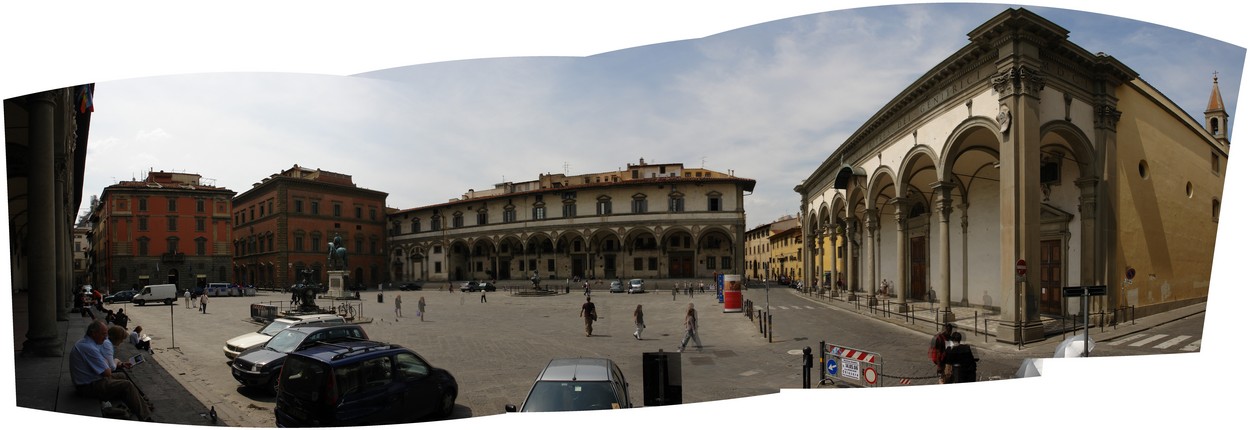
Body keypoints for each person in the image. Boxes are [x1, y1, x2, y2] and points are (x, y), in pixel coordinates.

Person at [69, 320, 152, 421]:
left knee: (122, 376)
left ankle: (138, 403)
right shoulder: (89, 348)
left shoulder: (86, 343)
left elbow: (105, 365)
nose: (106, 337)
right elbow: (107, 372)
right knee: (126, 385)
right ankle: (146, 417)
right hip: (87, 386)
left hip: (90, 380)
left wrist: (108, 363)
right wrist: (108, 363)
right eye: (103, 334)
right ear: (94, 333)